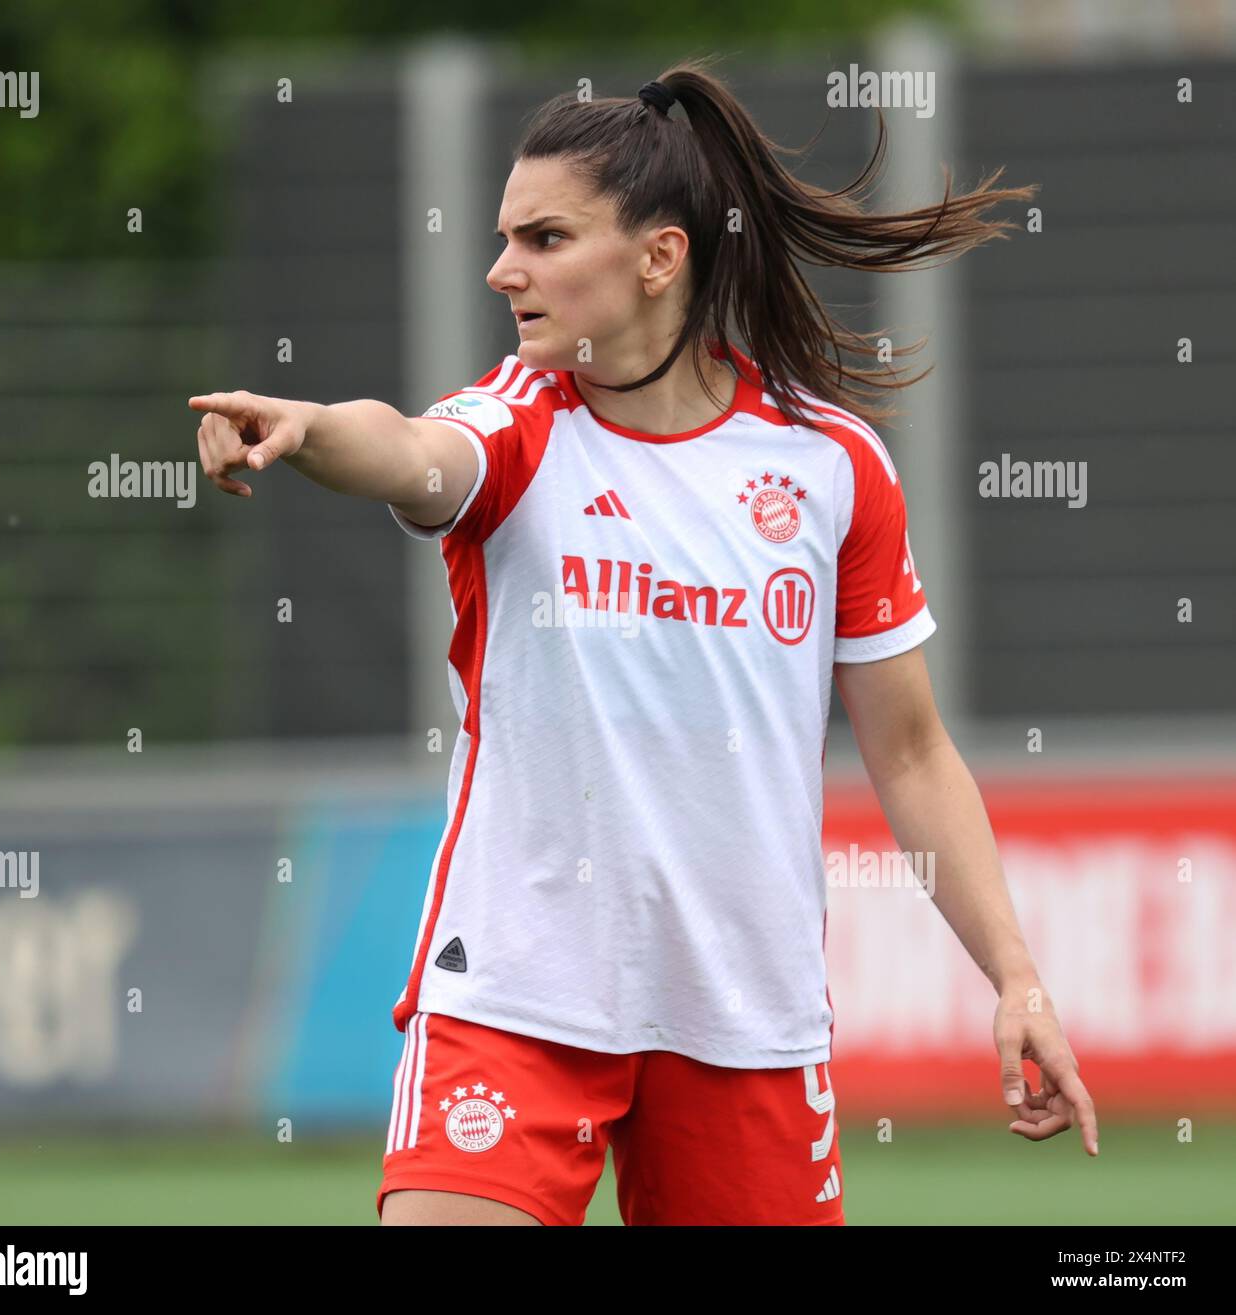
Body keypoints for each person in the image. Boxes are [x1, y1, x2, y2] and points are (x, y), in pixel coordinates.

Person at [190, 59, 1097, 1227]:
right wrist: (308, 427)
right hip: (516, 994)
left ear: (660, 257)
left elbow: (913, 754)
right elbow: (408, 451)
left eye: (545, 237)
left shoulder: (830, 467)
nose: (502, 268)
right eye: (502, 237)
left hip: (744, 1017)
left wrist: (1016, 975)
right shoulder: (514, 426)